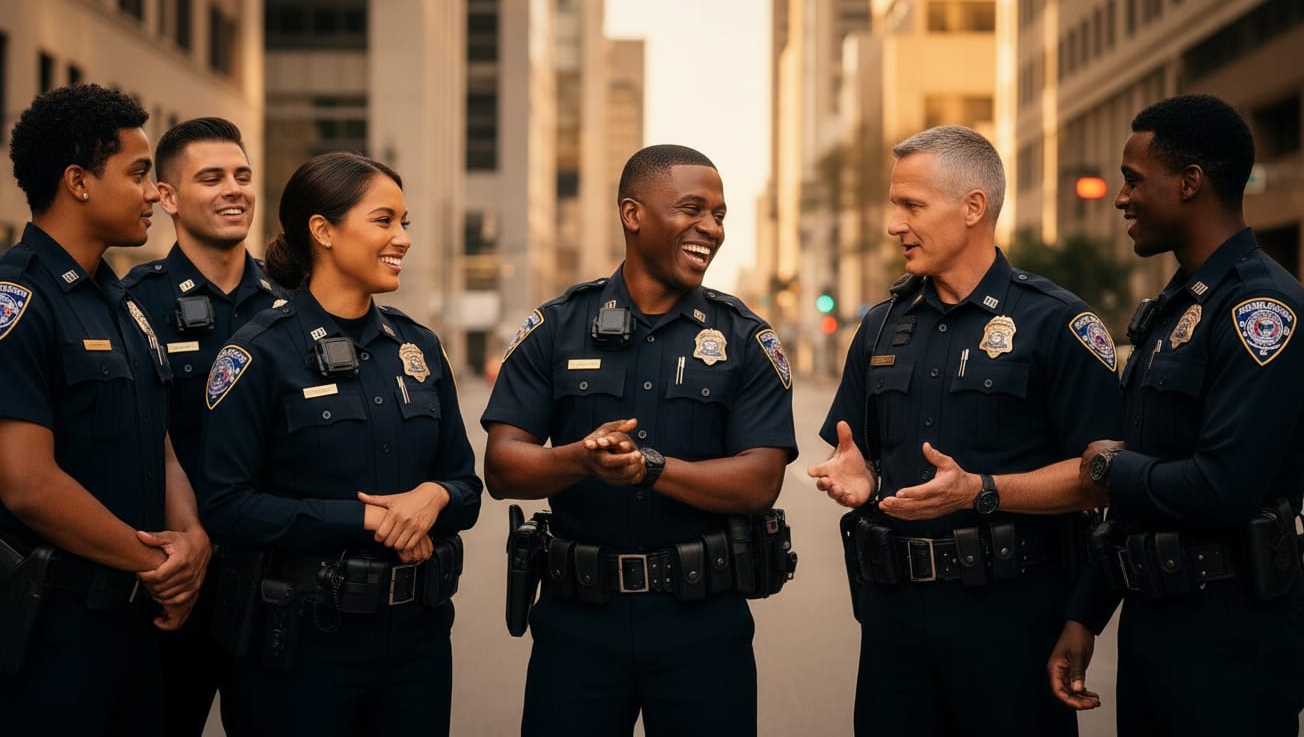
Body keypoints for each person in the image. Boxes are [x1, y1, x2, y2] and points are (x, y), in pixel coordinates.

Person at [809, 125, 1120, 736]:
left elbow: (1102, 477)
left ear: (973, 207)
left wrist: (981, 489)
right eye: (895, 205)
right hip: (894, 621)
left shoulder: (1057, 323)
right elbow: (865, 457)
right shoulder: (879, 327)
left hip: (1011, 619)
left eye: (911, 206)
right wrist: (860, 476)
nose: (893, 224)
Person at [482, 144, 797, 737]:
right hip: (578, 622)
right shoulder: (557, 327)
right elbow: (502, 467)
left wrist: (651, 469)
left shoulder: (744, 338)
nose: (711, 228)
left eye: (720, 215)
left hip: (703, 624)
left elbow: (761, 480)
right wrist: (581, 458)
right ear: (633, 214)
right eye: (692, 209)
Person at [195, 150, 481, 736]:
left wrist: (434, 497)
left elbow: (466, 484)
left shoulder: (418, 348)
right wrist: (366, 520)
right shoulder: (257, 353)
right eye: (384, 221)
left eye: (405, 223)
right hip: (302, 641)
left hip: (418, 640)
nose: (402, 238)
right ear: (323, 231)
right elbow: (226, 506)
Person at [1048, 94, 1304, 734]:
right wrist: (1086, 615)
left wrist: (1108, 465)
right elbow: (1145, 496)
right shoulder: (1168, 312)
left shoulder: (1260, 310)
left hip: (1233, 641)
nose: (1120, 197)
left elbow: (1222, 485)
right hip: (1155, 630)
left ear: (1190, 183)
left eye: (1134, 180)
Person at [0, 84, 209, 735]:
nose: (155, 192)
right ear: (77, 181)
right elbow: (27, 485)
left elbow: (156, 442)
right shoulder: (8, 301)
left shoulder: (122, 302)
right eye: (138, 173)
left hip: (134, 621)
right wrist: (158, 562)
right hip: (47, 628)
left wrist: (193, 539)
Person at [123, 117, 284, 736]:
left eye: (242, 176)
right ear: (167, 196)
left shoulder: (292, 299)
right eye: (211, 178)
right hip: (176, 587)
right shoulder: (133, 304)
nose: (234, 190)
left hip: (278, 583)